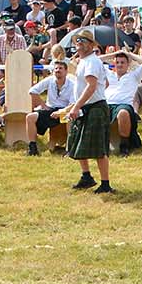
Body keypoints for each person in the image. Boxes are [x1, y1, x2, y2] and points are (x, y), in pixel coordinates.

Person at [59, 30, 113, 193]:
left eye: (83, 41)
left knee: (98, 149)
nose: (79, 44)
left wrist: (76, 106)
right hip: (85, 107)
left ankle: (105, 184)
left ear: (91, 45)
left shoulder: (92, 62)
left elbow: (91, 86)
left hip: (95, 108)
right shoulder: (83, 61)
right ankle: (87, 177)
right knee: (77, 143)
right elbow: (104, 84)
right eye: (77, 41)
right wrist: (73, 106)